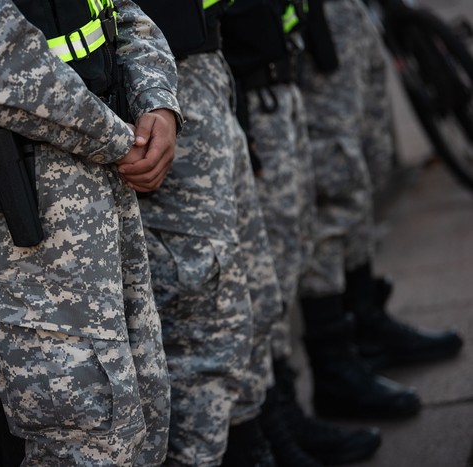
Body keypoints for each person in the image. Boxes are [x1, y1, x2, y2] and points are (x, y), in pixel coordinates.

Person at [0, 0, 184, 464]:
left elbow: (119, 9)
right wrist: (122, 141)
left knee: (141, 420)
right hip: (29, 197)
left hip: (106, 169)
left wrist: (158, 103)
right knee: (83, 438)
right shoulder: (110, 143)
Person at [221, 1, 382, 465]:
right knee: (262, 266)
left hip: (267, 64)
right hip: (237, 79)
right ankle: (277, 420)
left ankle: (295, 402)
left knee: (288, 253)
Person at [133, 0, 284, 464]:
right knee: (204, 322)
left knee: (249, 299)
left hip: (196, 60)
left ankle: (255, 440)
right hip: (158, 77)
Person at [297, 0, 463, 419]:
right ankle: (336, 358)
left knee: (366, 159)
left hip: (345, 14)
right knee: (333, 178)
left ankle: (366, 318)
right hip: (301, 21)